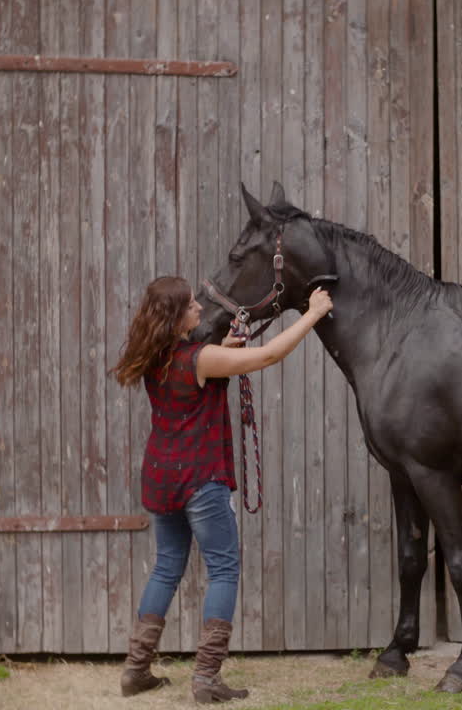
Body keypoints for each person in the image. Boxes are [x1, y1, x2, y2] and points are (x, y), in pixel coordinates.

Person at [109, 275, 334, 702]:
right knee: (224, 570)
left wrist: (226, 351)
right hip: (200, 478)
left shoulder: (155, 356)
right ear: (176, 317)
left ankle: (136, 670)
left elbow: (200, 369)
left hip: (162, 476)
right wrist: (313, 313)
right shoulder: (198, 358)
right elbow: (268, 355)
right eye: (191, 305)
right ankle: (207, 677)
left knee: (165, 567)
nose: (198, 309)